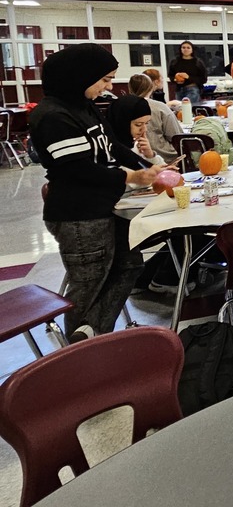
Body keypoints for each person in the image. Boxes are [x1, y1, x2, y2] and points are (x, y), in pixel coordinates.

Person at [28, 44, 166, 340]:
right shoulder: (53, 115)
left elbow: (111, 144)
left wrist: (146, 165)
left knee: (129, 265)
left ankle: (92, 333)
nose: (108, 87)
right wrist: (130, 176)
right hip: (79, 214)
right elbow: (77, 169)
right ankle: (79, 350)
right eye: (104, 79)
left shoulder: (85, 105)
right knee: (89, 282)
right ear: (81, 76)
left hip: (105, 205)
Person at [127, 73, 182, 163]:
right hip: (165, 156)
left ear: (130, 88)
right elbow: (176, 136)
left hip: (132, 156)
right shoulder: (160, 107)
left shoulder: (122, 107)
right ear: (150, 88)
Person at [168, 40, 207, 105]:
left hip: (192, 89)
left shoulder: (197, 62)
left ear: (192, 50)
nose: (185, 49)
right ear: (180, 49)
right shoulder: (175, 61)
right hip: (179, 89)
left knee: (189, 108)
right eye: (183, 47)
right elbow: (170, 75)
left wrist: (188, 77)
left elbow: (203, 79)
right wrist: (175, 79)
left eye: (188, 48)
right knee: (179, 108)